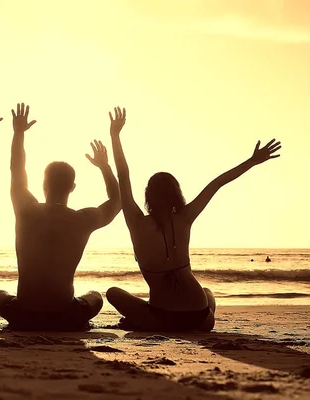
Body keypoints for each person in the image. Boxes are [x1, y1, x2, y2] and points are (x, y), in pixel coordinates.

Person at [105, 107, 282, 332]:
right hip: (201, 320)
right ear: (176, 195)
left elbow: (123, 175)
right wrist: (252, 161)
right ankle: (146, 319)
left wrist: (114, 135)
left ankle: (142, 320)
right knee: (207, 293)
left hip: (163, 319)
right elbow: (217, 182)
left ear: (148, 196)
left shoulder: (137, 222)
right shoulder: (185, 216)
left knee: (113, 293)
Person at [0, 103, 122, 331]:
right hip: (66, 316)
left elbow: (16, 169)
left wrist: (19, 133)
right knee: (95, 297)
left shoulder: (26, 209)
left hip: (23, 315)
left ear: (43, 184)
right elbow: (116, 201)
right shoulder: (83, 219)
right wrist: (104, 167)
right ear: (72, 187)